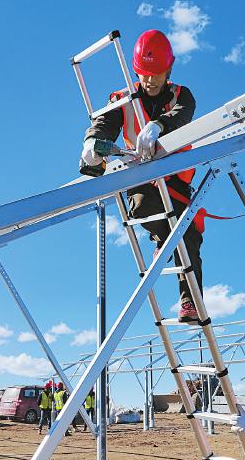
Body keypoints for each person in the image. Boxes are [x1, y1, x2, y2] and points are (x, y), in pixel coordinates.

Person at [80, 29, 203, 324]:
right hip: (142, 179)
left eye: (156, 74)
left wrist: (159, 125)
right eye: (144, 74)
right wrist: (92, 143)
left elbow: (183, 114)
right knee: (143, 207)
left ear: (168, 69)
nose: (150, 80)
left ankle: (190, 302)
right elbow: (105, 123)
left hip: (175, 180)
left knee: (189, 235)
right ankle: (163, 239)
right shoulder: (122, 99)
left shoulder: (181, 95)